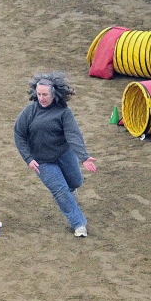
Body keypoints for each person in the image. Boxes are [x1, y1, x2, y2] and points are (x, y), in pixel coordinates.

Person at [14, 72, 97, 237]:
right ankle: (79, 224)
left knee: (75, 181)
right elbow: (19, 134)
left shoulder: (64, 113)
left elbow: (73, 135)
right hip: (42, 161)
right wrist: (28, 159)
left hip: (64, 154)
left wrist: (84, 157)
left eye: (45, 94)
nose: (42, 98)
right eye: (39, 94)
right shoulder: (29, 112)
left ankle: (71, 193)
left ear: (54, 94)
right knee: (60, 190)